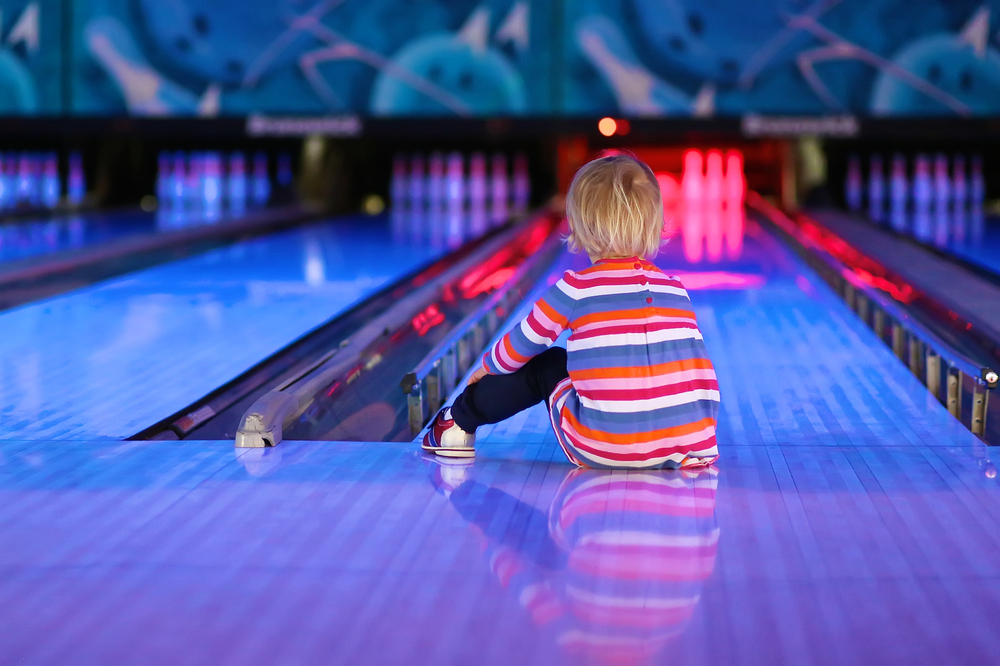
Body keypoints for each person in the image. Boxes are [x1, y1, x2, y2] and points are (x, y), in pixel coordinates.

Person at [422, 154, 720, 469]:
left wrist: (487, 367)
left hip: (605, 448)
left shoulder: (575, 288)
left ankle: (457, 423)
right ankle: (679, 437)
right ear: (657, 223)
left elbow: (519, 347)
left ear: (579, 227)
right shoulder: (675, 289)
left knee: (549, 362)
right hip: (692, 447)